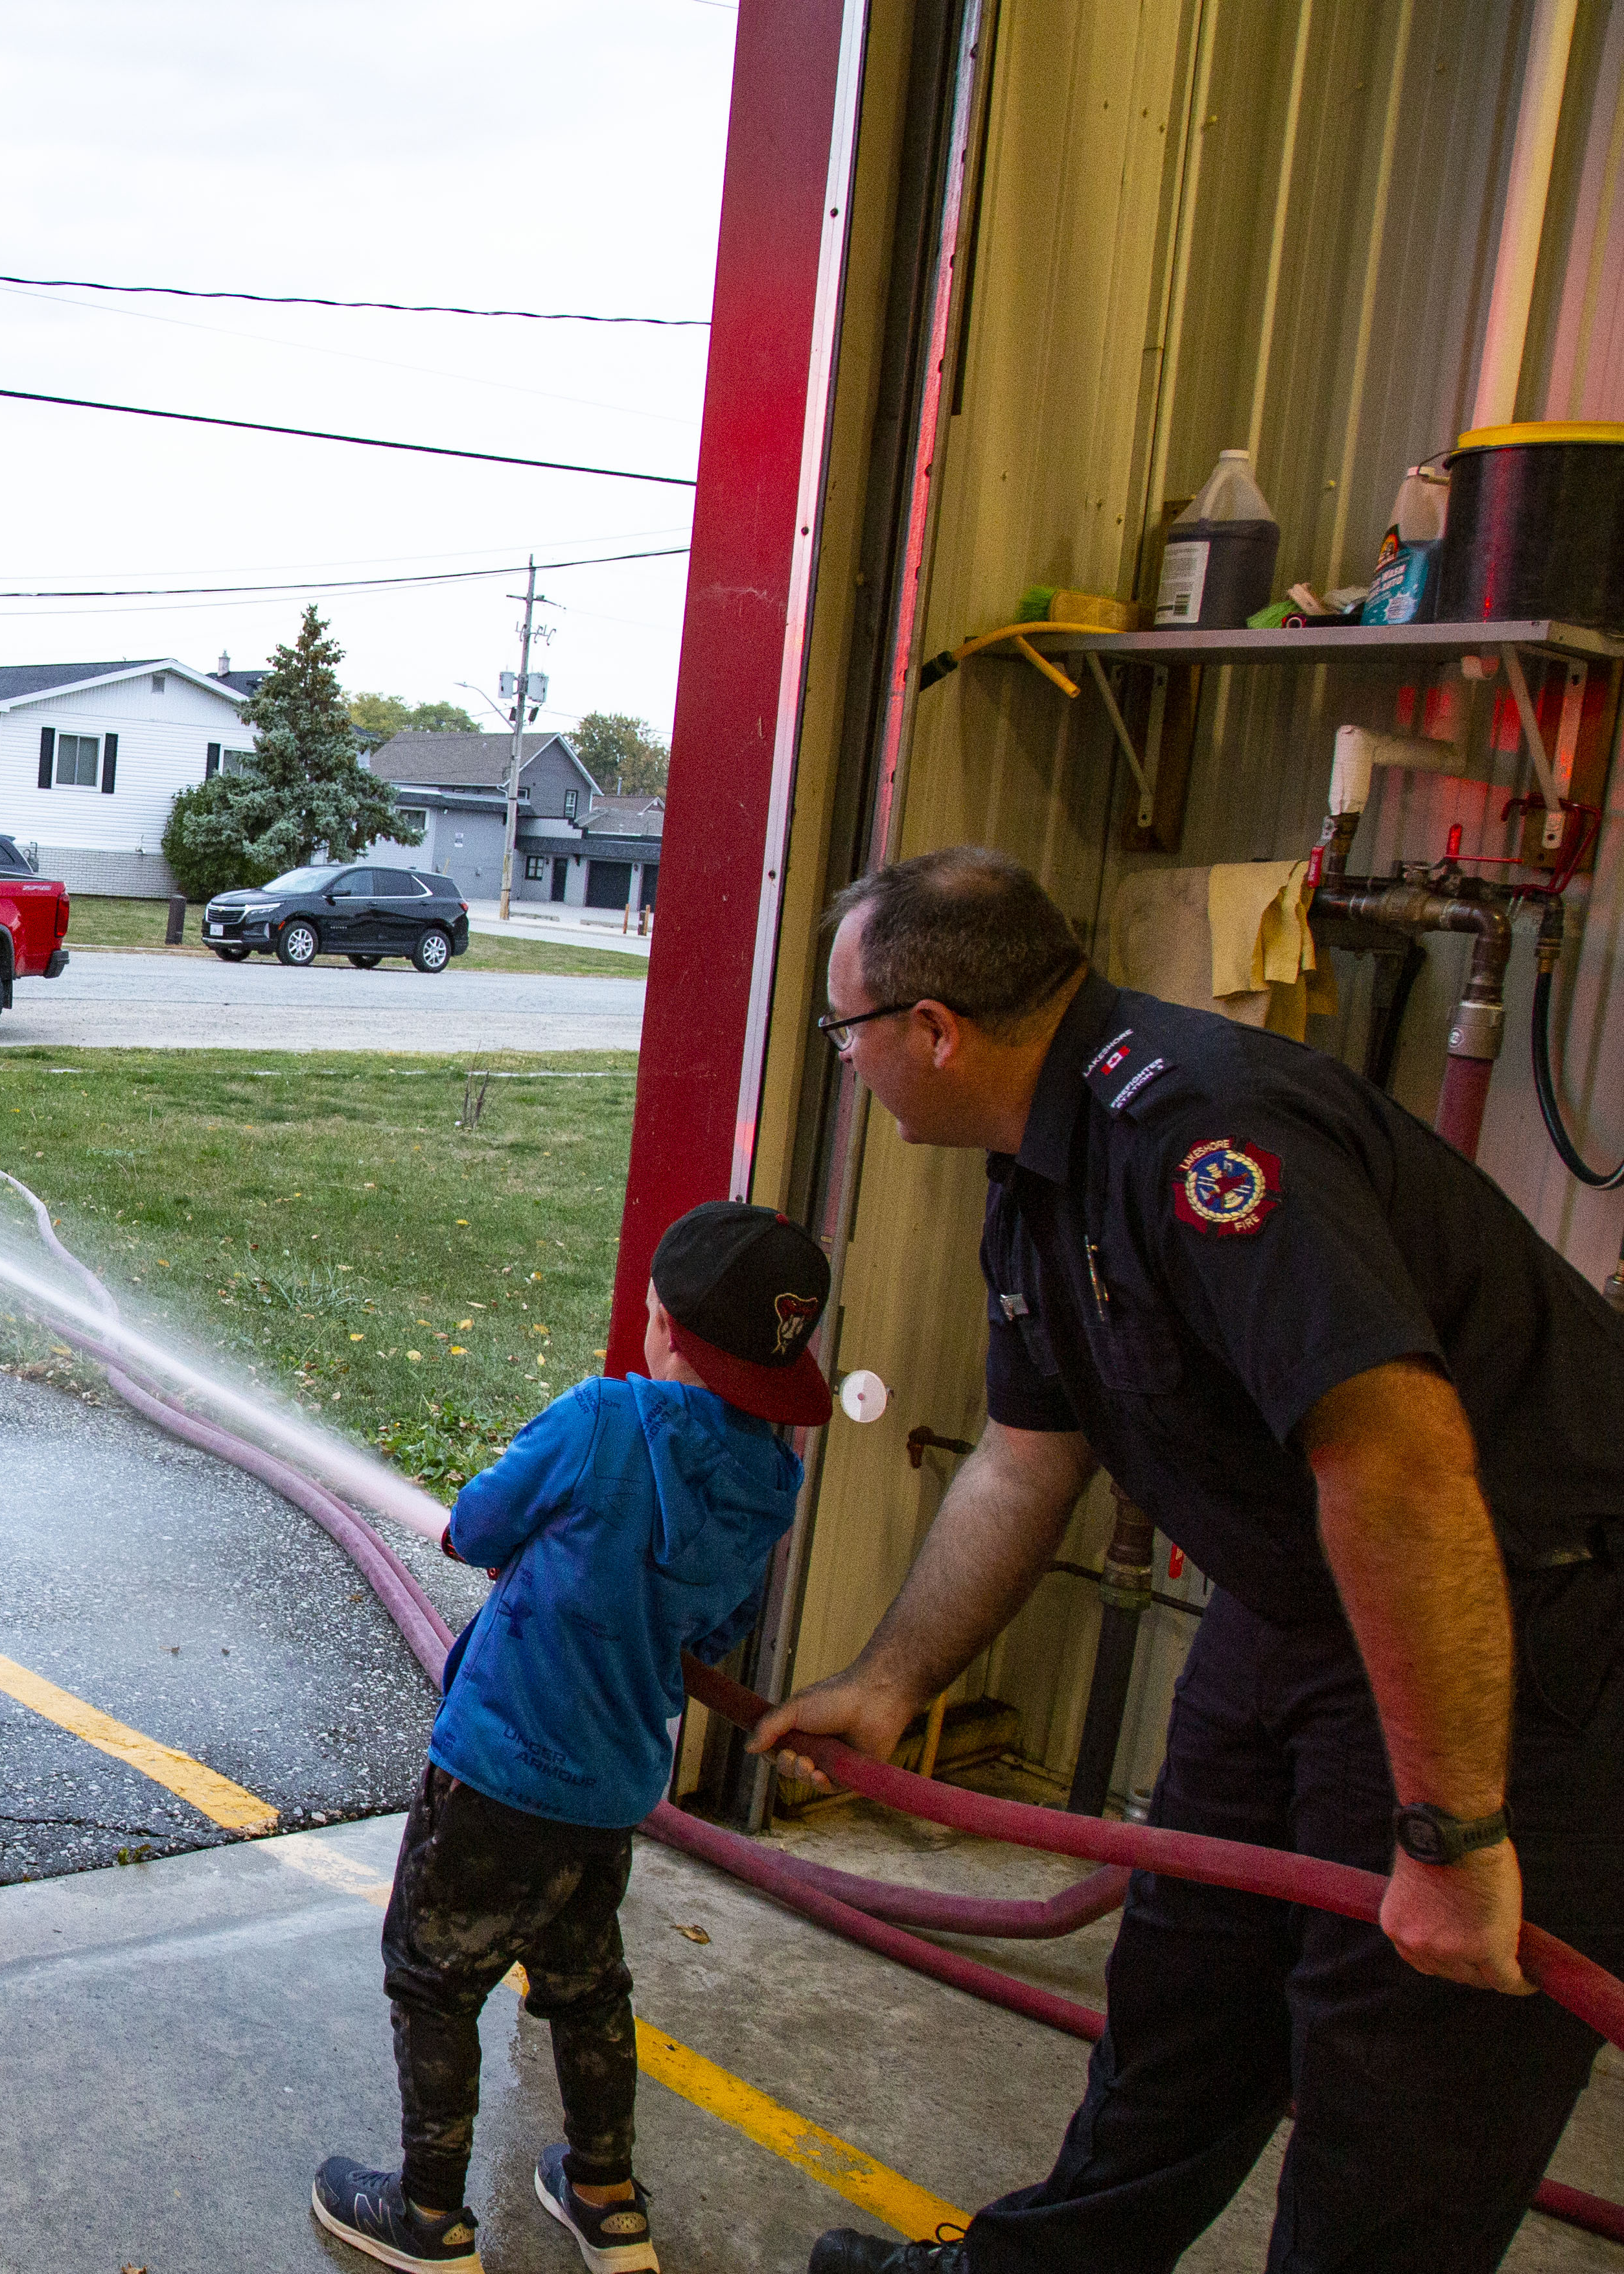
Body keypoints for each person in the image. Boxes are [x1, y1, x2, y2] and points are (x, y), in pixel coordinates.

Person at [765, 846, 1624, 2274]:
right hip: (1300, 1603)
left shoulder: (1206, 1137)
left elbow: (1400, 1466)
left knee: (1399, 2091)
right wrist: (890, 1676)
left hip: (1507, 1621)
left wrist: (1452, 1836)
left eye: (845, 1030)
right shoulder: (1039, 1171)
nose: (844, 1060)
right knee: (1184, 1991)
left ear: (933, 1028)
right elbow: (1026, 1452)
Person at [314, 1200, 829, 2274]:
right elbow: (720, 1624)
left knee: (432, 1973)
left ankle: (426, 2216)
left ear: (664, 1329)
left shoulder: (601, 1418)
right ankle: (603, 2197)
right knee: (586, 1980)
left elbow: (478, 1525)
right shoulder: (768, 1482)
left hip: (497, 1767)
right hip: (608, 1789)